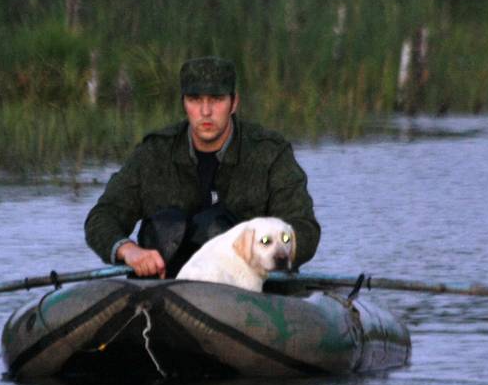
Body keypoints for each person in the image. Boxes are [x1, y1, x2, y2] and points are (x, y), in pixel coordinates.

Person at [85, 56, 320, 278]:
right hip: (165, 287)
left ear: (233, 103)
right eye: (195, 99)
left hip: (245, 288)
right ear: (184, 103)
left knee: (217, 227)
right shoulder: (153, 153)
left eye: (216, 100)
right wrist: (128, 250)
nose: (205, 111)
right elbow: (103, 216)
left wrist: (261, 253)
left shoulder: (270, 153)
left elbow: (304, 229)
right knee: (168, 226)